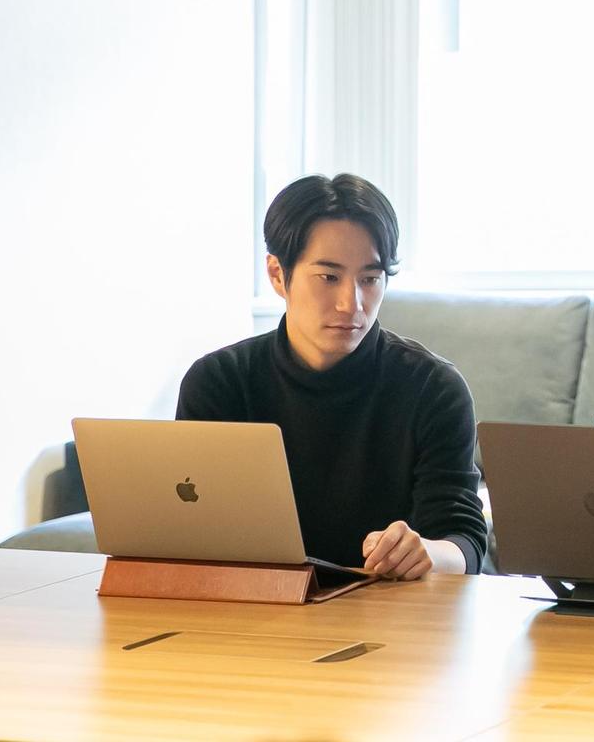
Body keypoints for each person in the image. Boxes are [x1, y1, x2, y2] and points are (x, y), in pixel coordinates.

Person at [177, 174, 487, 578]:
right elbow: (190, 529)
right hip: (255, 600)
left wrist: (428, 552)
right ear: (277, 274)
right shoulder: (218, 382)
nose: (351, 304)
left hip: (387, 605)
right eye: (329, 277)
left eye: (369, 279)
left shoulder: (434, 388)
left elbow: (464, 541)